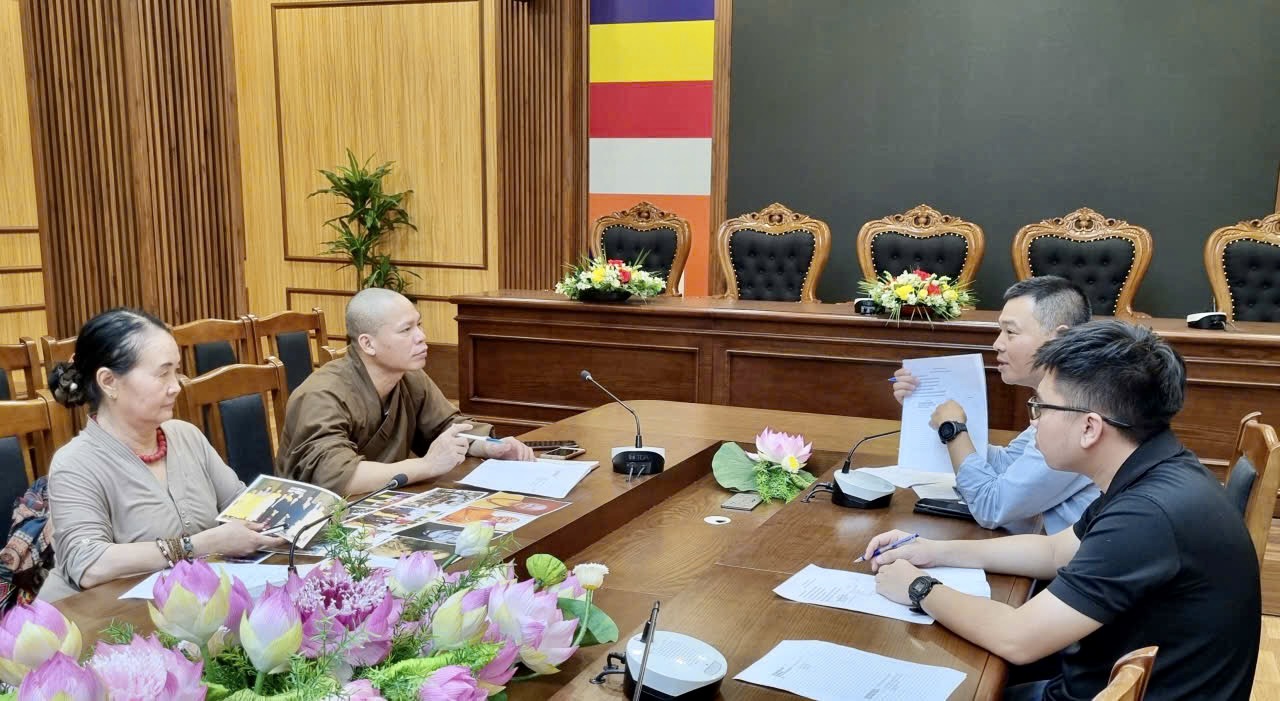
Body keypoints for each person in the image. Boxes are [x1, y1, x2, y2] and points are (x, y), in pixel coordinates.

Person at [866, 320, 1260, 700]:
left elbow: (1017, 638)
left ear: (1090, 428)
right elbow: (1054, 551)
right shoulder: (1156, 469)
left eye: (1041, 408)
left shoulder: (1149, 515)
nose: (1034, 424)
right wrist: (932, 550)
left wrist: (919, 588)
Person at [40, 309, 286, 602]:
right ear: (109, 382)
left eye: (176, 371)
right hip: (108, 620)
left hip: (193, 607)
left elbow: (240, 505)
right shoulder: (75, 463)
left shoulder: (185, 435)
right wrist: (200, 545)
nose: (176, 386)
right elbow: (89, 564)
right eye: (162, 374)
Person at [277, 289, 535, 495]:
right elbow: (337, 477)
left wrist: (490, 446)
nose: (421, 337)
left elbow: (447, 426)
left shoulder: (409, 378)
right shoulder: (322, 395)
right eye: (406, 330)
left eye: (419, 325)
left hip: (383, 502)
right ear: (368, 344)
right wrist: (427, 465)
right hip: (316, 522)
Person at [892, 276, 1098, 533]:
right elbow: (1006, 464)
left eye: (1010, 332)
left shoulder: (1076, 412)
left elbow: (992, 506)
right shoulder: (1066, 395)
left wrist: (954, 430)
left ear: (1060, 338)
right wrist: (927, 411)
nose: (997, 344)